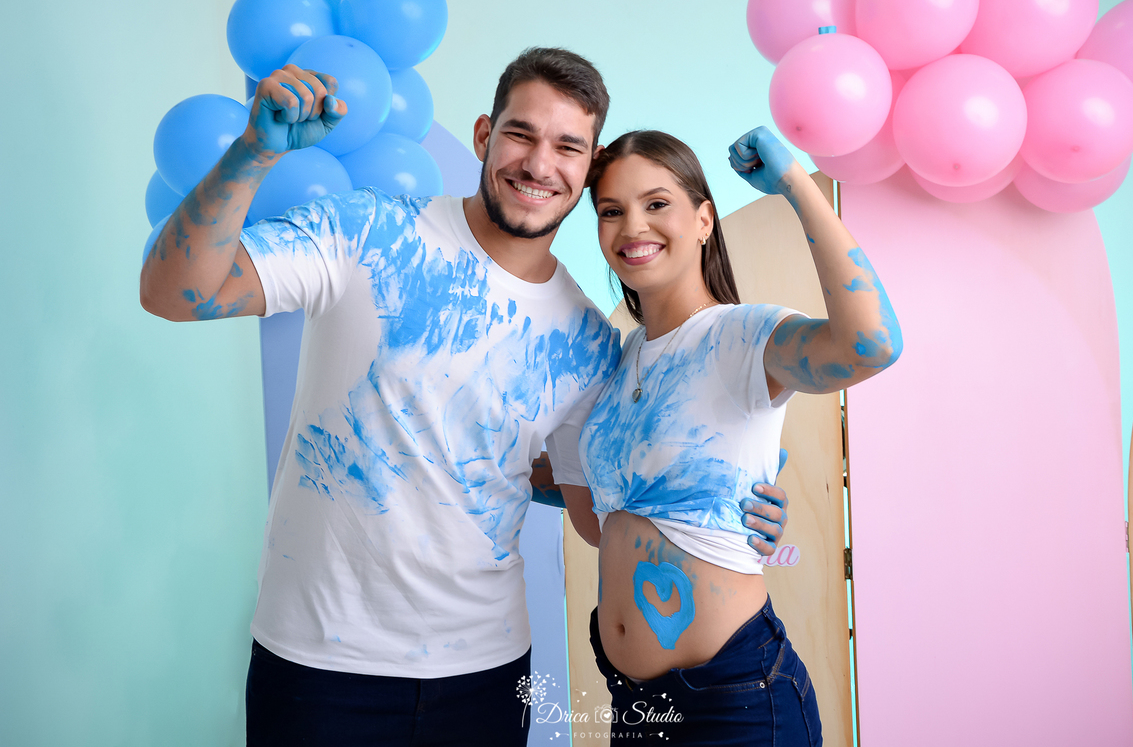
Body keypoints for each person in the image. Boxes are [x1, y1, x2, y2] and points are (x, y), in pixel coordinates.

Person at [140, 48, 788, 746]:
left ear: (587, 165)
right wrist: (254, 150)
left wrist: (737, 510)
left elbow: (595, 506)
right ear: (484, 135)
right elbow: (175, 292)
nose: (540, 164)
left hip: (488, 671)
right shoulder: (366, 230)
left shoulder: (590, 343)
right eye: (521, 134)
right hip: (318, 661)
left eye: (567, 146)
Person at [556, 128, 903, 744]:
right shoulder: (616, 363)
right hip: (635, 708)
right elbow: (599, 519)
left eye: (657, 203)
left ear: (704, 219)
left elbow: (871, 346)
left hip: (735, 702)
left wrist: (795, 185)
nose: (633, 225)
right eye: (611, 211)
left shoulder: (745, 337)